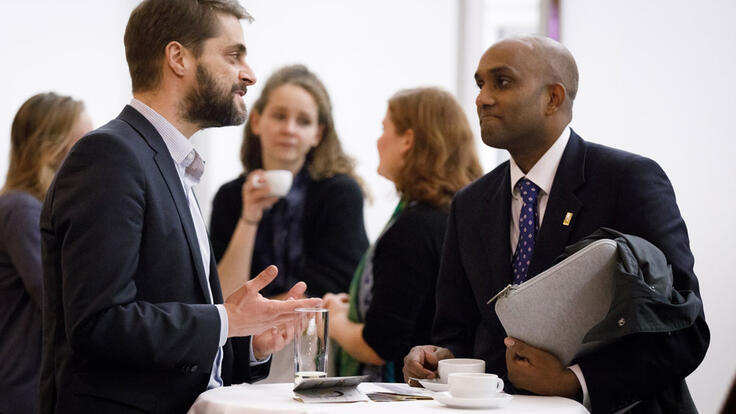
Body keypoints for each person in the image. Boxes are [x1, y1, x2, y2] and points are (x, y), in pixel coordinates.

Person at [39, 1, 320, 413]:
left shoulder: (168, 163)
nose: (250, 74)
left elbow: (170, 338)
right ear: (178, 58)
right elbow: (101, 325)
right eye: (233, 55)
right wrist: (226, 320)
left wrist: (248, 342)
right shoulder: (110, 156)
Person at [403, 35, 709, 413]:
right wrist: (439, 358)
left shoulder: (628, 181)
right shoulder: (470, 204)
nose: (482, 98)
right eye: (480, 84)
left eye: (502, 82)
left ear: (553, 98)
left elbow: (684, 329)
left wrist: (575, 381)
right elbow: (457, 332)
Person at [323, 87, 482, 382]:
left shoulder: (414, 228)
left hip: (411, 394)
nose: (378, 140)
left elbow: (378, 345)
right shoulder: (467, 215)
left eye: (385, 129)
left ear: (407, 140)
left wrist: (332, 318)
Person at [210, 64, 368, 301]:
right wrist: (249, 218)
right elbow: (223, 299)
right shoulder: (229, 196)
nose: (289, 129)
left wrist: (262, 314)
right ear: (256, 121)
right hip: (246, 337)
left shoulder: (341, 193)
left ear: (318, 134)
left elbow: (336, 288)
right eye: (279, 116)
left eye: (303, 121)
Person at [0, 92, 92, 414]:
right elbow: (58, 293)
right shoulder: (20, 209)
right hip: (21, 390)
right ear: (51, 148)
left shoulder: (35, 209)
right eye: (85, 140)